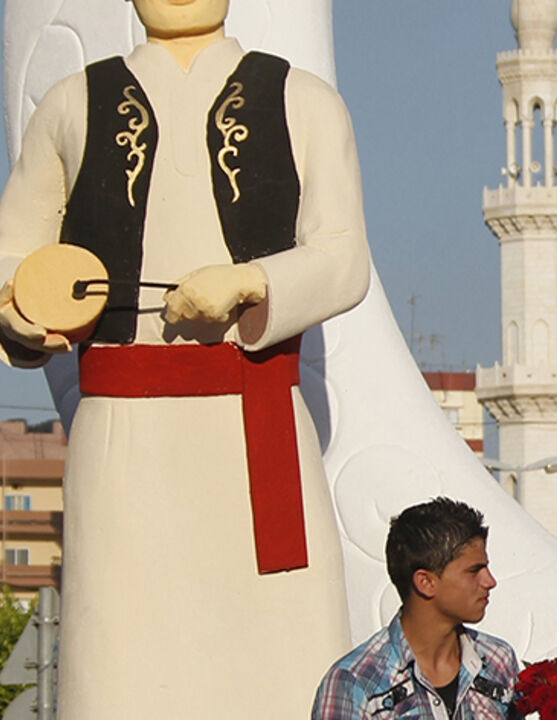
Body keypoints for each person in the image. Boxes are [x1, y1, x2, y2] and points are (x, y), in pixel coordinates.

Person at [0, 0, 369, 715]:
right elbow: (13, 255)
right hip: (121, 436)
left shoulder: (304, 101)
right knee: (117, 650)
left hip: (253, 421)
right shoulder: (70, 105)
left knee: (283, 657)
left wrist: (255, 281)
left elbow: (343, 255)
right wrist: (22, 313)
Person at [313, 499, 520, 719]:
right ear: (426, 582)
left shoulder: (498, 660)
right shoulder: (354, 683)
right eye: (474, 570)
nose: (490, 581)